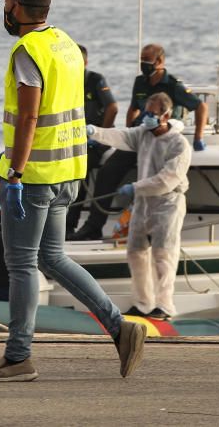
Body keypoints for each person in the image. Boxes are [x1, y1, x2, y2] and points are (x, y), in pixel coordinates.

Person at [0, 0, 145, 382]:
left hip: (34, 177)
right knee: (51, 257)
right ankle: (121, 328)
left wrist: (13, 172)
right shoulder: (65, 44)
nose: (4, 11)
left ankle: (17, 358)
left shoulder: (27, 51)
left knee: (21, 265)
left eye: (6, 3)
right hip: (69, 172)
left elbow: (31, 114)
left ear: (16, 6)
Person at [72, 43, 208, 240]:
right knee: (107, 171)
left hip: (162, 139)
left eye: (147, 60)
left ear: (160, 61)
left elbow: (201, 106)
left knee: (155, 177)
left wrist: (198, 137)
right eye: (141, 60)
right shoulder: (140, 82)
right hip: (142, 135)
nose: (144, 64)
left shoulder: (173, 85)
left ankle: (151, 229)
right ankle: (93, 226)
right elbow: (133, 109)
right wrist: (100, 131)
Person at [86, 92, 191, 320]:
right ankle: (143, 303)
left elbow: (167, 179)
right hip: (143, 202)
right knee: (135, 252)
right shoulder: (144, 134)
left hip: (168, 202)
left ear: (166, 114)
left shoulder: (179, 144)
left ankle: (164, 306)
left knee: (164, 254)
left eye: (152, 113)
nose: (147, 117)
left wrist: (135, 187)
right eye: (146, 112)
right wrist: (95, 131)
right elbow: (122, 135)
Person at [66, 44, 118, 235]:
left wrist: (99, 134)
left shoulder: (95, 80)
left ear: (85, 62)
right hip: (74, 138)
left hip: (96, 140)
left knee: (79, 171)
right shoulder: (65, 82)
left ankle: (71, 224)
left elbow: (112, 107)